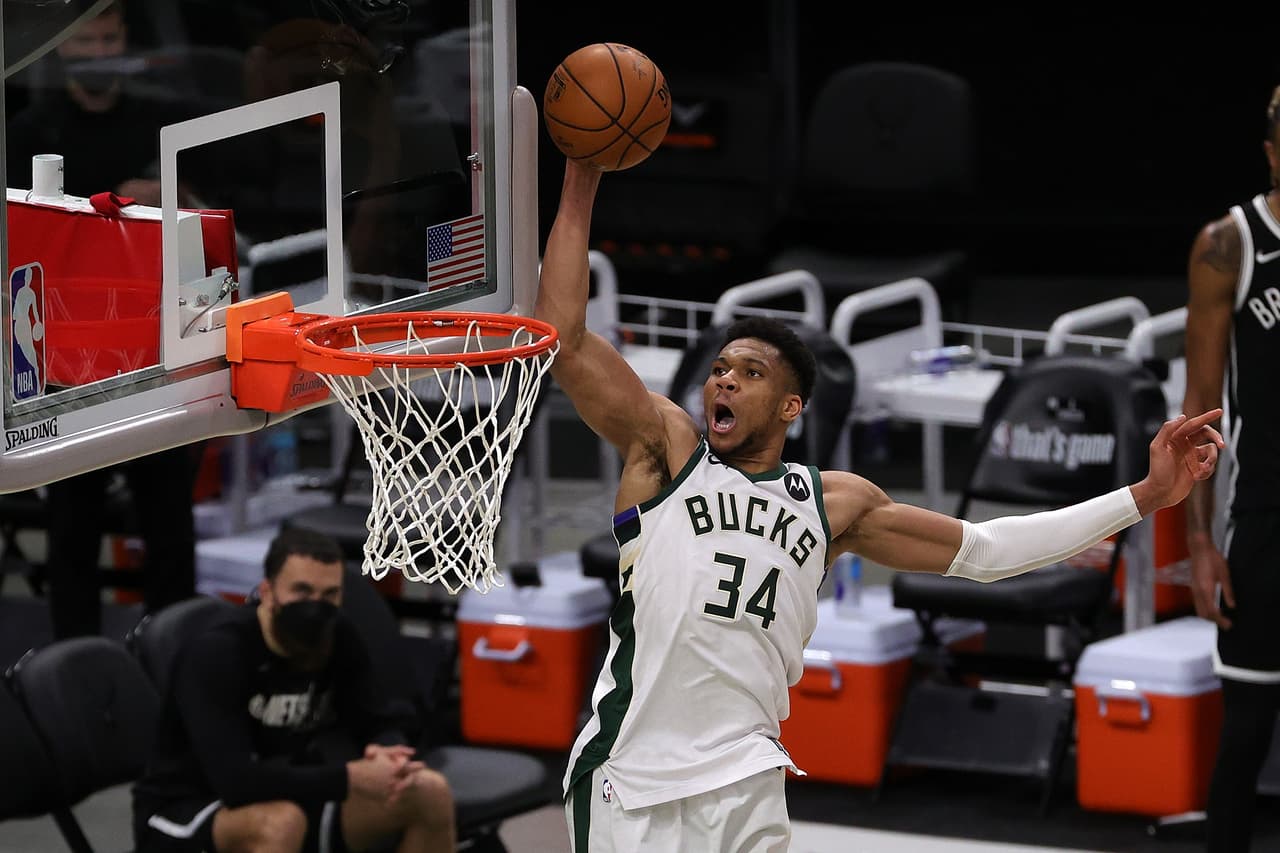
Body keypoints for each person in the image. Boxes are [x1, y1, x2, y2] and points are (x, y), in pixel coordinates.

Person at [535, 157, 1225, 852]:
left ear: (790, 406)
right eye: (719, 370)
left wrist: (1145, 496)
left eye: (750, 372)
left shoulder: (834, 503)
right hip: (632, 778)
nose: (726, 382)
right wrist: (583, 176)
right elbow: (564, 341)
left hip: (746, 777)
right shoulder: (667, 455)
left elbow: (988, 552)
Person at [5, 0, 206, 639]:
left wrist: (165, 199)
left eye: (108, 36)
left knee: (168, 519)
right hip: (69, 355)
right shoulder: (30, 129)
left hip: (153, 343)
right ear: (61, 45)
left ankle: (174, 657)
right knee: (73, 526)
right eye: (85, 39)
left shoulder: (160, 122)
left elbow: (205, 219)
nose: (98, 50)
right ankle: (72, 669)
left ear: (126, 38)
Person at [132, 526, 455, 852]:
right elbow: (236, 782)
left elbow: (378, 717)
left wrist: (389, 752)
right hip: (187, 810)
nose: (316, 607)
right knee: (280, 823)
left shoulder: (337, 635)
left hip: (289, 794)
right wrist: (350, 778)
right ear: (268, 592)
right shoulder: (216, 654)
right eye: (302, 592)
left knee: (428, 792)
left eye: (330, 594)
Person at [1183, 84, 1280, 853]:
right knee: (1245, 730)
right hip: (1265, 517)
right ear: (1273, 151)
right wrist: (1200, 541)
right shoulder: (1230, 243)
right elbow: (1200, 406)